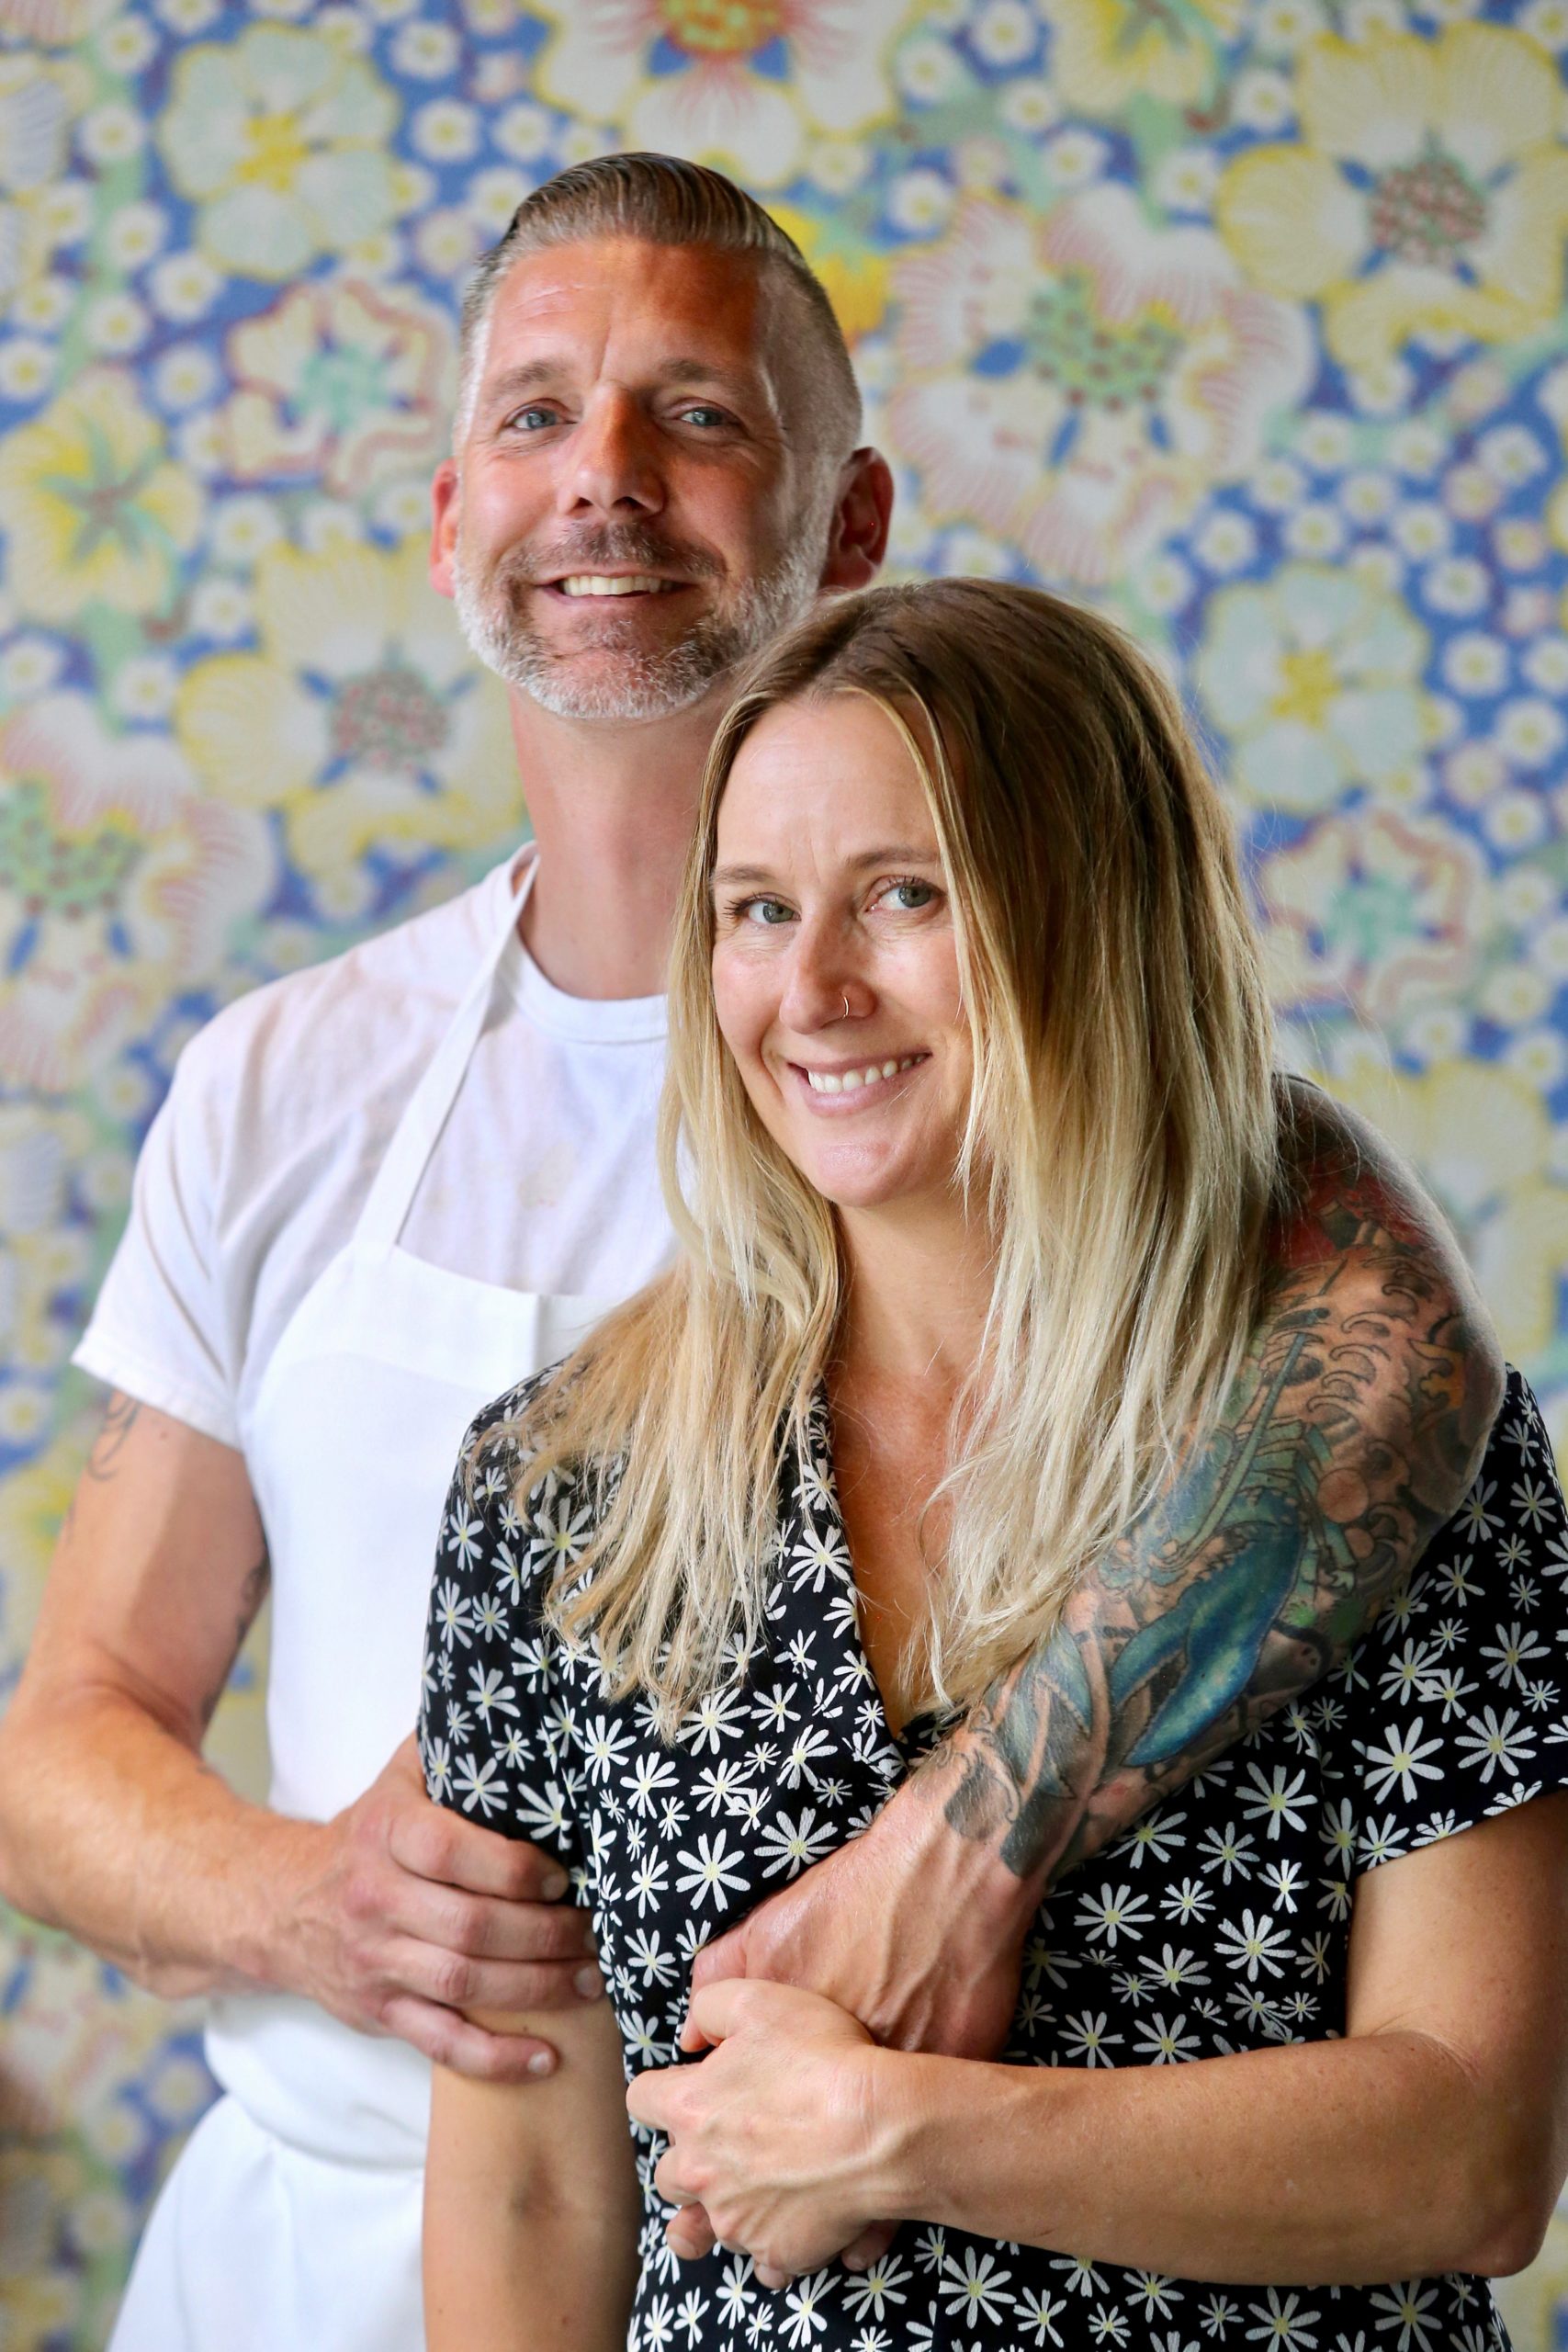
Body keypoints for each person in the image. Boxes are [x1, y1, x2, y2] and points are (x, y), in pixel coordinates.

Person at [0, 160, 1495, 2352]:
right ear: (445, 517)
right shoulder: (278, 1084)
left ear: (851, 521)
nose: (599, 480)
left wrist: (954, 1856)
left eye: (694, 414)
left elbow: (1401, 1359)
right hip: (328, 2232)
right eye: (531, 417)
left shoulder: (1071, 1122)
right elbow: (64, 1738)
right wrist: (326, 1905)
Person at [419, 577, 1568, 2352]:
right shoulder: (562, 1489)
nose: (810, 991)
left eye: (904, 896)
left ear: (1091, 923)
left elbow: (1477, 2154)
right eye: (753, 911)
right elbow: (534, 2182)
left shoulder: (1386, 1464)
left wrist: (911, 2140)